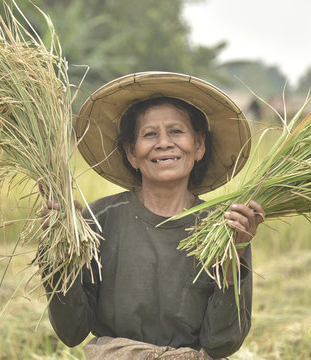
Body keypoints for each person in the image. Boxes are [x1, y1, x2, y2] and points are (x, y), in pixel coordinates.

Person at [41, 72, 265, 360]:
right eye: (149, 134)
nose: (163, 143)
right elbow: (71, 331)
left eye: (176, 131)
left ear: (199, 145)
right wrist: (60, 247)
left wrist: (236, 251)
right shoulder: (98, 221)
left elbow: (223, 342)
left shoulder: (224, 229)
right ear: (132, 153)